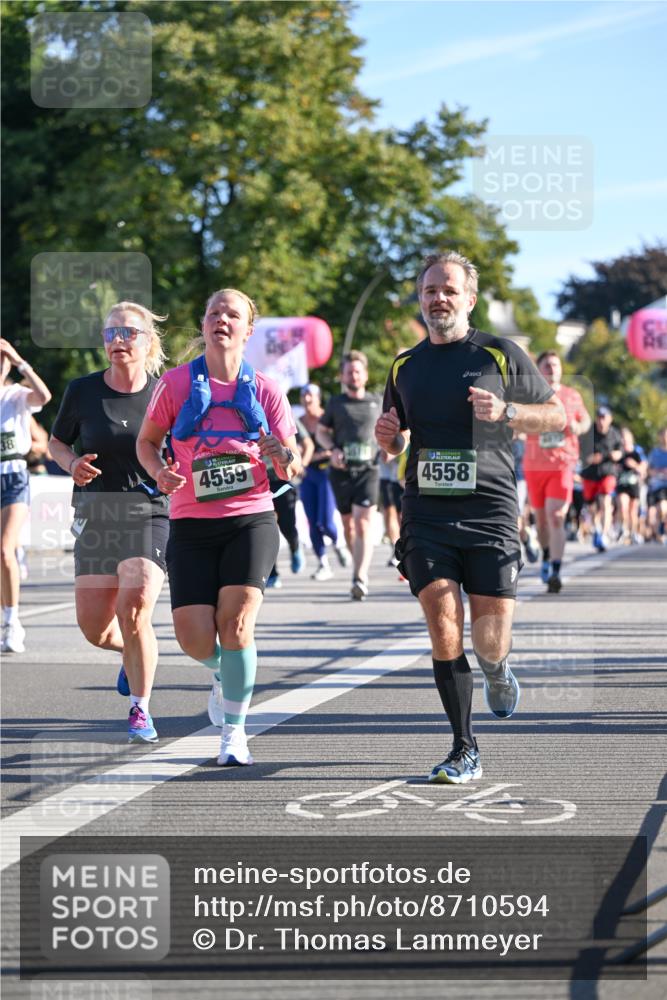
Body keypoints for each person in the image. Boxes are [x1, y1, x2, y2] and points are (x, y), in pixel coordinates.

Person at [375, 251, 565, 784]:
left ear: (470, 298)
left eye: (449, 289)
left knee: (489, 638)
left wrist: (507, 412)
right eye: (430, 290)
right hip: (426, 512)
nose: (439, 298)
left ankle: (498, 668)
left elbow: (557, 416)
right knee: (442, 622)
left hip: (491, 511)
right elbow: (396, 442)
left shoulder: (500, 354)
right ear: (421, 299)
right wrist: (387, 441)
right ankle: (464, 747)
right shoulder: (404, 365)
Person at [136, 288, 301, 766]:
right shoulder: (174, 383)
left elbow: (293, 465)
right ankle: (225, 670)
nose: (221, 320)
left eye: (232, 314)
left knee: (237, 623)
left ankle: (234, 732)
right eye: (213, 313)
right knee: (193, 638)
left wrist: (281, 456)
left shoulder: (267, 390)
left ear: (248, 331)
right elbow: (148, 443)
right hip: (190, 521)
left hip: (250, 518)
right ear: (204, 325)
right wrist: (158, 472)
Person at [49, 303, 168, 744]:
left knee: (134, 605)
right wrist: (72, 462)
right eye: (110, 332)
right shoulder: (81, 391)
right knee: (97, 630)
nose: (118, 340)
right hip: (95, 514)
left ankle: (140, 708)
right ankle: (130, 653)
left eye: (129, 332)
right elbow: (57, 442)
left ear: (147, 340)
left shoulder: (164, 394)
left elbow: (183, 450)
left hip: (147, 511)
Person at [523, 350, 591, 592]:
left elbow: (586, 422)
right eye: (547, 366)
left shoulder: (572, 396)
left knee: (556, 516)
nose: (552, 369)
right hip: (534, 466)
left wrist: (577, 426)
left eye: (555, 365)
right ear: (539, 370)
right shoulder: (529, 395)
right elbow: (517, 423)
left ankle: (556, 570)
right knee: (541, 522)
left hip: (562, 464)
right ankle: (546, 554)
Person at [317, 351, 382, 601]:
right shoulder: (336, 403)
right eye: (348, 372)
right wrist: (332, 449)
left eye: (357, 371)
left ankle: (360, 576)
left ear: (364, 375)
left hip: (369, 470)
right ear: (343, 376)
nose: (353, 375)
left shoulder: (377, 402)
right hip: (341, 472)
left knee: (364, 522)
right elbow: (322, 431)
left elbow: (391, 431)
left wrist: (389, 449)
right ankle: (357, 568)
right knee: (348, 525)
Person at [1, 338, 52, 652]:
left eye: (1, 359)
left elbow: (45, 396)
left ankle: (12, 621)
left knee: (5, 550)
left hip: (13, 477)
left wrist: (19, 360)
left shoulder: (16, 395)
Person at [299, 383, 350, 581]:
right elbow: (295, 449)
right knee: (312, 522)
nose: (307, 400)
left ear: (319, 398)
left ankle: (338, 543)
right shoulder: (298, 422)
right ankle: (323, 563)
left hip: (327, 474)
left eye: (311, 396)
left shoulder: (326, 419)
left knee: (326, 522)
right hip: (307, 475)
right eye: (304, 396)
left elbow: (338, 447)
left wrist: (321, 455)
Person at [265, 413, 313, 588]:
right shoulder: (240, 406)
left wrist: (301, 466)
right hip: (257, 478)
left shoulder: (281, 411)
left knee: (286, 524)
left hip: (282, 478)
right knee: (266, 526)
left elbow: (308, 444)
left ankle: (294, 546)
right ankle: (272, 573)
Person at [580, 406, 623, 552]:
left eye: (604, 418)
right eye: (599, 417)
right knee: (591, 506)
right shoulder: (588, 433)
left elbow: (621, 451)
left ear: (610, 419)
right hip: (590, 474)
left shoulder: (615, 434)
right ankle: (597, 529)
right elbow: (580, 451)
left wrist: (617, 455)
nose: (601, 421)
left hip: (607, 472)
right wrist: (588, 458)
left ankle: (604, 534)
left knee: (606, 501)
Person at [615, 427, 646, 544]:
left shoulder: (637, 451)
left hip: (634, 484)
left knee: (633, 510)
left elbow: (643, 467)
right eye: (622, 438)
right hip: (622, 484)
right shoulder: (619, 452)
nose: (624, 440)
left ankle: (634, 532)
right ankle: (624, 530)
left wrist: (634, 465)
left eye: (626, 437)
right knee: (623, 506)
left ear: (630, 438)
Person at [646, 426, 667, 542]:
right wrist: (658, 472)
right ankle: (660, 530)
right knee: (662, 509)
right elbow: (649, 469)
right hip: (660, 486)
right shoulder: (655, 453)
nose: (665, 438)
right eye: (663, 435)